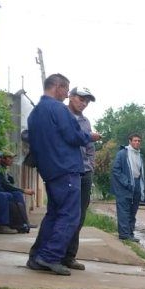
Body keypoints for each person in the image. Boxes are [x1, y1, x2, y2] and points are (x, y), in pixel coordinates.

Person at [27, 73, 99, 275]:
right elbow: (73, 136)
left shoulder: (35, 113)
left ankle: (36, 257)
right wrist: (89, 137)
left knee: (54, 215)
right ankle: (50, 257)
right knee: (70, 215)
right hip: (66, 168)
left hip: (50, 170)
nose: (67, 94)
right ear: (57, 86)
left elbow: (31, 139)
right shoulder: (58, 109)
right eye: (66, 90)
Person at [61, 87, 97, 269]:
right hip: (67, 172)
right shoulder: (61, 115)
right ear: (71, 97)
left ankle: (69, 256)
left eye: (87, 101)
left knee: (79, 216)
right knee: (64, 214)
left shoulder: (85, 121)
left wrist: (90, 166)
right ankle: (55, 255)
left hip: (84, 173)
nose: (83, 103)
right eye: (81, 99)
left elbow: (90, 147)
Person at [110, 133, 145, 242]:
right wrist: (126, 182)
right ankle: (124, 235)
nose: (137, 142)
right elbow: (116, 170)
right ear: (130, 141)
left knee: (132, 211)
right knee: (123, 211)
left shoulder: (140, 155)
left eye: (139, 141)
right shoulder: (122, 154)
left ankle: (130, 233)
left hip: (136, 186)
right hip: (124, 187)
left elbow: (141, 173)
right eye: (135, 140)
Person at [0, 151, 35, 232]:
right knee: (10, 195)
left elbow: (9, 184)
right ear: (3, 159)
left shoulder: (4, 169)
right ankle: (3, 225)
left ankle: (24, 222)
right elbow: (6, 186)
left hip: (3, 190)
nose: (12, 160)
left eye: (12, 158)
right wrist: (24, 190)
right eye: (10, 158)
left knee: (17, 194)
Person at [0, 150, 22, 234]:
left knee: (12, 195)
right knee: (2, 196)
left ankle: (17, 223)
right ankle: (0, 226)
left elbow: (1, 184)